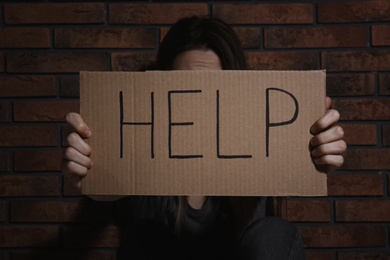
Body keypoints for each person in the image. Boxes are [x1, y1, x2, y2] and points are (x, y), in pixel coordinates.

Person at [62, 16, 346, 260]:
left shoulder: (259, 136)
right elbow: (111, 183)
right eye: (184, 87)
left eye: (213, 88)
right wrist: (92, 172)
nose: (199, 103)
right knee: (143, 236)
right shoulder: (145, 141)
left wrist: (317, 149)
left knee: (276, 233)